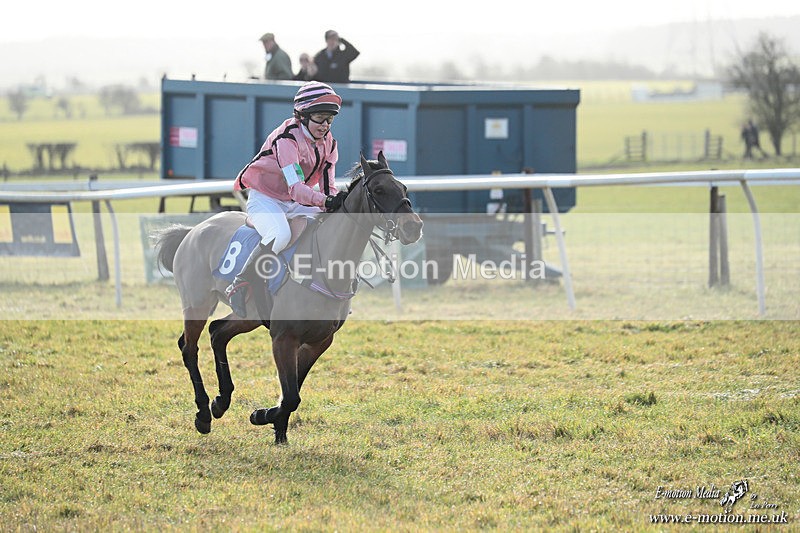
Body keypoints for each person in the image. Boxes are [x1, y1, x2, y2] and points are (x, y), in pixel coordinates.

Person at [226, 81, 348, 317]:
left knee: (328, 226)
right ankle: (239, 284)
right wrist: (324, 201)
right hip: (265, 198)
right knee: (280, 235)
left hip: (295, 200)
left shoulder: (330, 143)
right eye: (320, 118)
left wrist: (333, 201)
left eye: (329, 120)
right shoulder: (286, 139)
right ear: (302, 116)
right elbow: (296, 188)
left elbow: (327, 186)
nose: (325, 125)